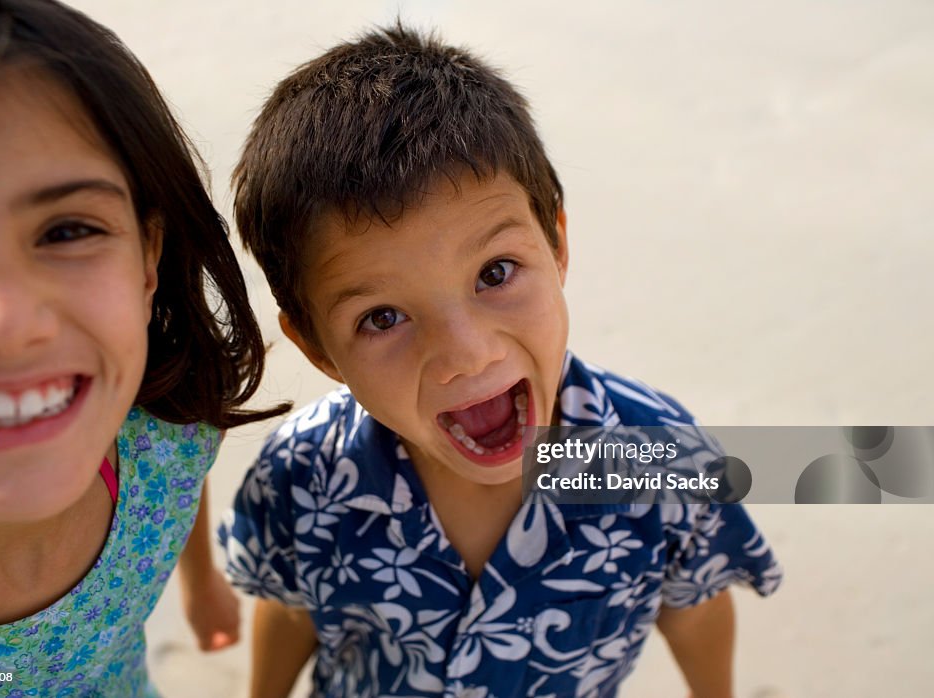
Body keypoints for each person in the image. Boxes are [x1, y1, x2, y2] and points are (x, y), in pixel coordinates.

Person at [220, 23, 783, 698]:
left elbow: (692, 607)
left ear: (557, 243)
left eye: (496, 272)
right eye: (382, 318)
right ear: (317, 348)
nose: (465, 353)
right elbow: (291, 609)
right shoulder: (304, 475)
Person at [0, 0, 287, 694]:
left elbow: (182, 472)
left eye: (65, 232)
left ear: (149, 262)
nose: (3, 322)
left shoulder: (163, 443)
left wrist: (200, 582)